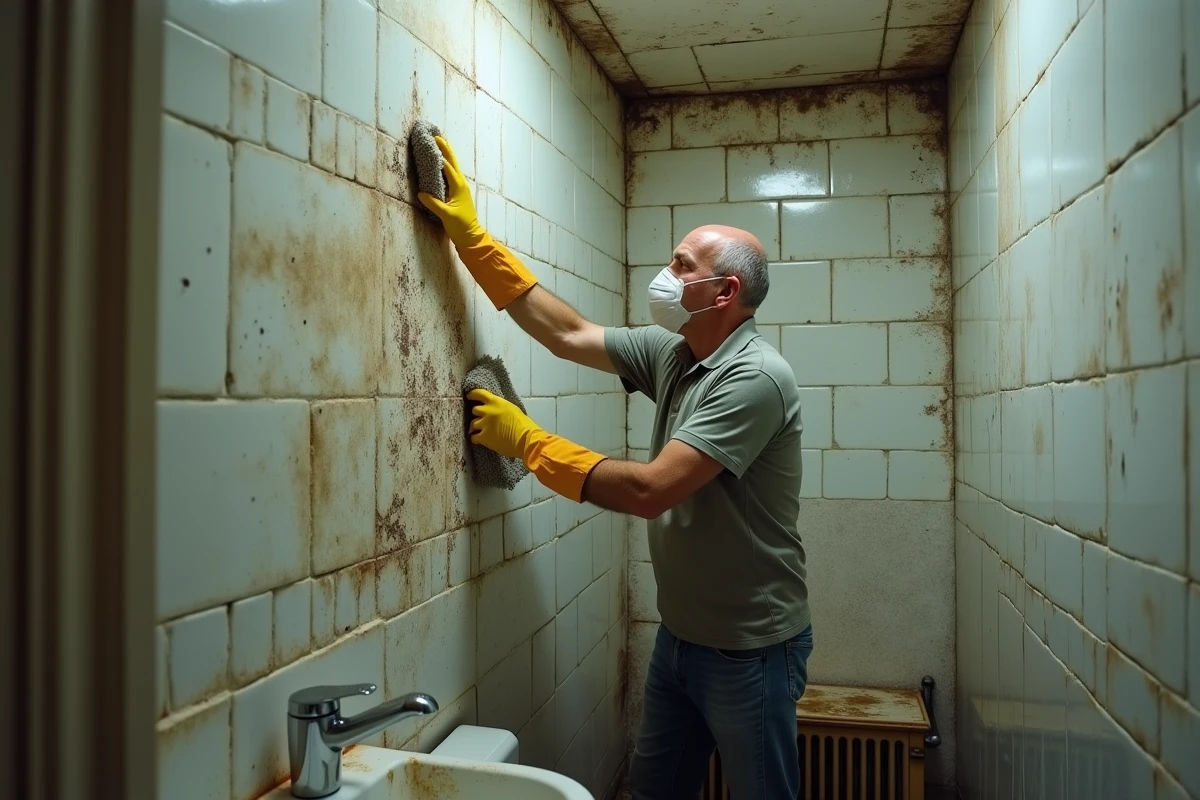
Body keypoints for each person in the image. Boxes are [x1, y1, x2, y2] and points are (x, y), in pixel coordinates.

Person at [419, 135, 812, 799]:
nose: (666, 273)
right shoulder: (676, 353)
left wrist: (530, 442)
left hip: (751, 650)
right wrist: (472, 238)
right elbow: (568, 333)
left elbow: (651, 491)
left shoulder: (755, 379)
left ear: (724, 291)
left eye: (682, 264)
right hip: (680, 639)